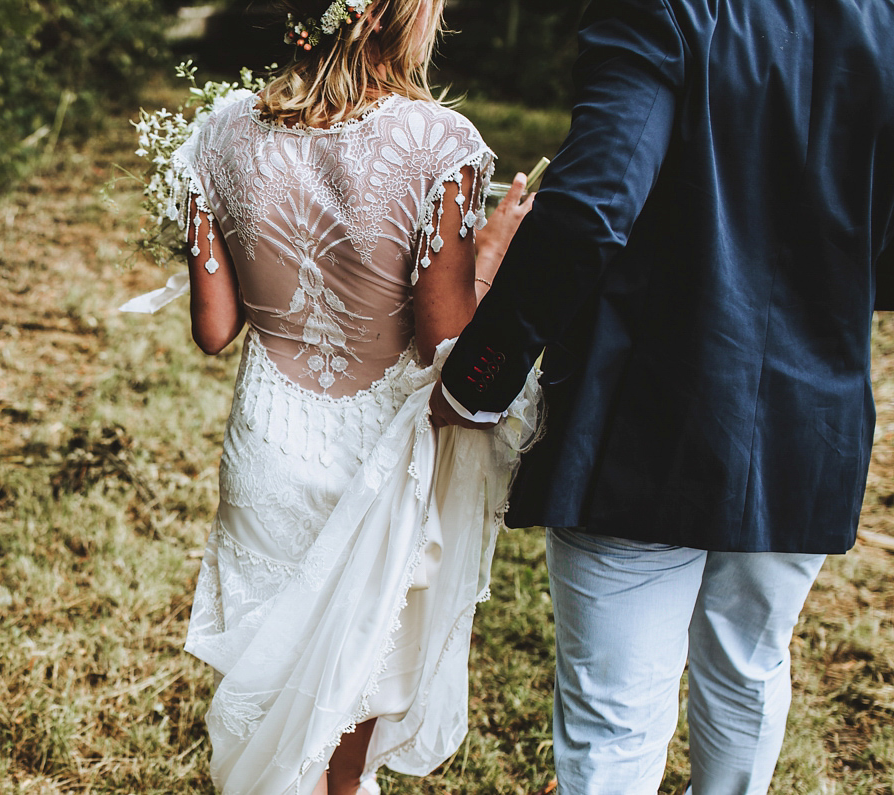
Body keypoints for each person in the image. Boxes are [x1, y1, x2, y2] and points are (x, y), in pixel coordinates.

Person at [430, 0, 894, 793]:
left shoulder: (662, 7)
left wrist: (479, 375)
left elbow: (589, 209)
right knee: (749, 665)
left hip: (644, 417)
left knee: (617, 715)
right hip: (810, 418)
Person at [169, 0, 541, 792]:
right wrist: (493, 252)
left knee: (273, 671)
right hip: (376, 456)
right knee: (348, 690)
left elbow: (214, 326)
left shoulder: (218, 130)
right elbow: (447, 342)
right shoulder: (439, 143)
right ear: (392, 15)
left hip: (266, 446)